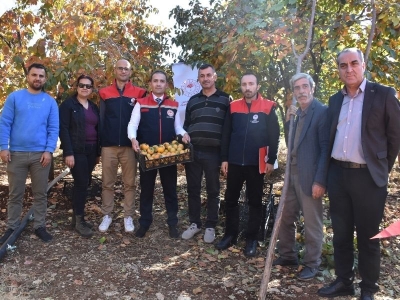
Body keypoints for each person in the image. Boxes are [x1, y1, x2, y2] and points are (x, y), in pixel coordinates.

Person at [317, 48, 400, 300]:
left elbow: (395, 137)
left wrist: (381, 169)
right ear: (339, 70)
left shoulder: (384, 95)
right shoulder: (334, 101)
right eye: (343, 65)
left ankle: (368, 290)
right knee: (340, 235)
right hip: (338, 176)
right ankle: (344, 282)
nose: (349, 69)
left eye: (354, 63)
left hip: (368, 179)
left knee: (368, 237)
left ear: (363, 65)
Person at [216, 72, 280, 257]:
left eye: (251, 84)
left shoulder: (268, 107)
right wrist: (224, 158)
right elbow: (226, 134)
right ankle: (230, 234)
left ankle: (251, 238)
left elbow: (274, 136)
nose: (247, 87)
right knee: (230, 199)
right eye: (244, 84)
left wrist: (270, 160)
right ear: (241, 87)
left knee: (255, 201)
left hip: (256, 162)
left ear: (258, 86)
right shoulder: (233, 106)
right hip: (235, 161)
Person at [272, 73, 329, 280]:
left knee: (312, 222)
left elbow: (325, 149)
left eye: (305, 86)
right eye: (297, 88)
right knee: (286, 217)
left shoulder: (321, 112)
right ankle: (288, 255)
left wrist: (320, 180)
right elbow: (292, 144)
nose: (301, 91)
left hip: (310, 176)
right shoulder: (296, 113)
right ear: (294, 92)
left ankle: (312, 263)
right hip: (291, 174)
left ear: (312, 88)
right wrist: (288, 122)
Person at [0, 63, 59, 243]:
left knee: (40, 193)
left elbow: (53, 128)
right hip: (16, 154)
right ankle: (12, 227)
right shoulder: (15, 97)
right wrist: (3, 147)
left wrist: (49, 150)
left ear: (45, 79)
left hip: (40, 155)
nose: (37, 79)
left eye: (41, 76)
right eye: (34, 75)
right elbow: (5, 123)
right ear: (28, 76)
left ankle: (40, 226)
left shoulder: (49, 101)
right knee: (15, 193)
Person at [180, 64, 231, 243]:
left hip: (214, 153)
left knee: (213, 190)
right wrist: (183, 137)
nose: (206, 78)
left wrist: (226, 156)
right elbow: (186, 126)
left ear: (215, 77)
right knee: (193, 189)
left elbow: (229, 129)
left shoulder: (225, 99)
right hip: (193, 152)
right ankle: (194, 223)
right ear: (199, 79)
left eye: (209, 75)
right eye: (202, 76)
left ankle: (210, 225)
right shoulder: (193, 100)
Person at [128, 70, 181, 238]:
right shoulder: (141, 103)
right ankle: (144, 223)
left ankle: (173, 223)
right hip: (147, 155)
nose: (158, 84)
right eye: (155, 81)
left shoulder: (173, 105)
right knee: (146, 189)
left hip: (168, 154)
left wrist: (184, 134)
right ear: (150, 83)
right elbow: (132, 125)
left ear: (166, 84)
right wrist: (133, 138)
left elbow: (178, 127)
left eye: (162, 81)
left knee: (170, 190)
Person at [98, 59, 146, 233]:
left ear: (130, 72)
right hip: (108, 146)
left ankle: (128, 216)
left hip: (129, 146)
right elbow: (101, 119)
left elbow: (142, 120)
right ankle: (107, 215)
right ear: (115, 70)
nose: (123, 71)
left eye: (126, 69)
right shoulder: (104, 92)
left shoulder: (140, 92)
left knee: (130, 184)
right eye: (120, 68)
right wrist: (100, 144)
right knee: (107, 183)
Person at [59, 75, 100, 238]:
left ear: (91, 89)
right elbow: (63, 129)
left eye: (88, 86)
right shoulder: (68, 105)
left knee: (84, 183)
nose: (85, 88)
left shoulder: (93, 106)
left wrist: (97, 152)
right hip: (77, 151)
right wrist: (68, 152)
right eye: (82, 85)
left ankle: (76, 219)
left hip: (91, 151)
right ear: (76, 87)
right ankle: (79, 221)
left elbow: (98, 129)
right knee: (81, 183)